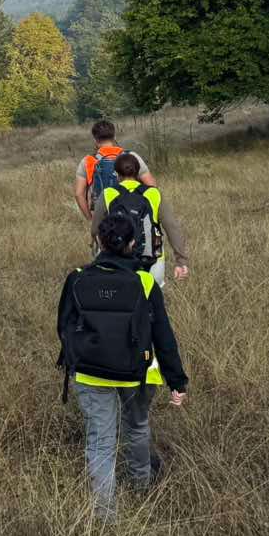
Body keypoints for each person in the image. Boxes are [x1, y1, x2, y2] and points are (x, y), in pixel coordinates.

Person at [58, 214, 188, 520]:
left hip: (90, 373)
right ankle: (140, 485)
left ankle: (105, 515)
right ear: (132, 244)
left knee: (100, 440)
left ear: (99, 242)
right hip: (137, 374)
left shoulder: (77, 278)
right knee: (137, 427)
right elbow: (163, 336)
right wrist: (177, 381)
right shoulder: (145, 281)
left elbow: (64, 327)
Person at [90, 153, 191, 286]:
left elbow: (95, 230)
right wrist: (181, 261)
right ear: (138, 172)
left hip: (116, 263)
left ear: (117, 174)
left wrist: (97, 250)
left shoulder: (107, 194)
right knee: (153, 295)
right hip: (152, 263)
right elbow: (172, 228)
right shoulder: (154, 194)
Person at [75, 119, 158, 223]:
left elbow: (79, 194)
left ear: (95, 140)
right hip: (131, 213)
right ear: (114, 137)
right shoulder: (132, 157)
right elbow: (152, 187)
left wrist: (91, 219)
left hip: (102, 216)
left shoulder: (88, 161)